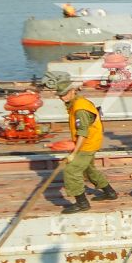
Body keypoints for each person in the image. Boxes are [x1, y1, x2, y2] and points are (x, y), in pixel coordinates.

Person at [52, 78, 114, 212]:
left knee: (71, 171)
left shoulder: (80, 108)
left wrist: (74, 154)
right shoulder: (78, 103)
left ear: (73, 91)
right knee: (88, 169)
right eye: (60, 95)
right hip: (90, 142)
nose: (62, 98)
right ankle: (110, 192)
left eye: (64, 94)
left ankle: (82, 204)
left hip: (87, 144)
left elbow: (83, 133)